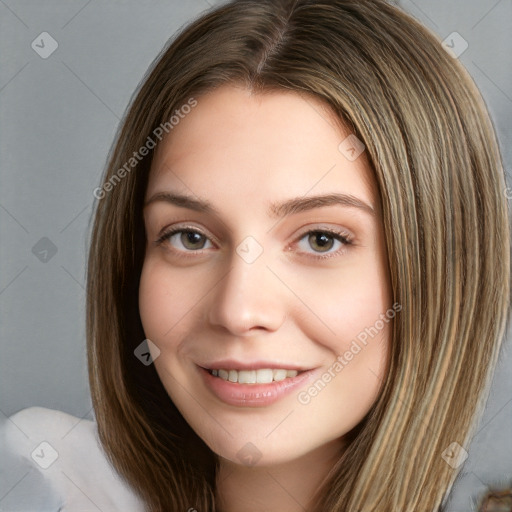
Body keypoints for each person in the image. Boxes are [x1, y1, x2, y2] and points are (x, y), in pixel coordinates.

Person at [2, 1, 510, 511]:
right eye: (191, 237)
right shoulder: (46, 483)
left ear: (446, 271)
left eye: (321, 239)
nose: (238, 311)